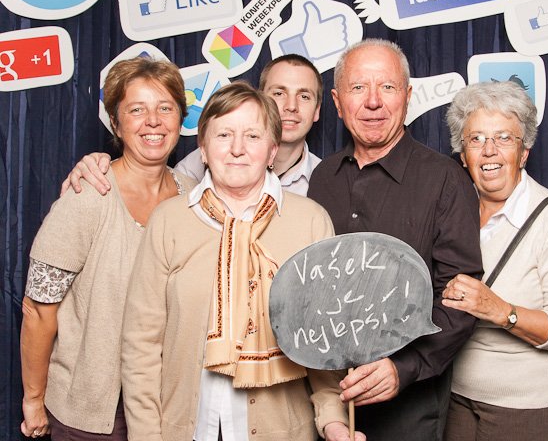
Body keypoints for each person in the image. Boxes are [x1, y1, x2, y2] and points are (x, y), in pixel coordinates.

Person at [120, 81, 362, 441]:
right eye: (223, 135)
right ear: (203, 148)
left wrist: (334, 422)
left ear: (272, 150)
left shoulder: (310, 221)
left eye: (252, 136)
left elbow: (322, 346)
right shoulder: (169, 220)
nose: (237, 149)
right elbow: (141, 344)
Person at [307, 38, 483, 440]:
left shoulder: (445, 179)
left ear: (407, 96)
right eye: (358, 87)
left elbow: (460, 296)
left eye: (387, 87)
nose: (373, 102)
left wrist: (403, 368)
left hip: (410, 406)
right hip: (328, 399)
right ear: (337, 102)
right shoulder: (323, 178)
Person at [19, 57, 195, 439]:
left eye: (165, 108)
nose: (153, 121)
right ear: (116, 123)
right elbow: (38, 308)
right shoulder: (87, 195)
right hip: (94, 414)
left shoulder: (195, 198)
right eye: (137, 110)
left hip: (170, 408)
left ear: (181, 119)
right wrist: (33, 399)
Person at [441, 81, 548, 441]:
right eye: (476, 139)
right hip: (456, 396)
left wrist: (501, 311)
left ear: (523, 153)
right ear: (463, 155)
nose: (489, 150)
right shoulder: (450, 212)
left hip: (533, 404)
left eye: (504, 138)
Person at [62, 54, 323, 196]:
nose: (290, 106)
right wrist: (95, 165)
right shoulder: (194, 171)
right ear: (258, 100)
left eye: (304, 96)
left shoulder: (326, 180)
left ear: (317, 109)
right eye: (278, 93)